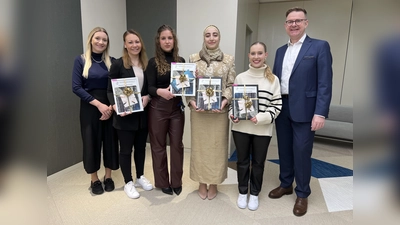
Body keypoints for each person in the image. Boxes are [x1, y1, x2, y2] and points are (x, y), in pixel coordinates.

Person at [269, 7, 333, 216]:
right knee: (284, 150)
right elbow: (275, 81)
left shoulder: (319, 47)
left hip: (306, 110)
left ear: (306, 23)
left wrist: (320, 113)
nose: (294, 24)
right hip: (282, 107)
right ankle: (286, 184)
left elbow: (325, 82)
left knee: (302, 152)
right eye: (290, 21)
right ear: (285, 25)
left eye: (298, 20)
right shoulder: (280, 51)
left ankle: (302, 193)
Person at [230, 41, 282, 210]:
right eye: (253, 53)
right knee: (242, 161)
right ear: (248, 56)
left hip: (263, 129)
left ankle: (254, 194)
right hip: (241, 128)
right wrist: (233, 114)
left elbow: (277, 106)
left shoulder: (273, 80)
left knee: (258, 163)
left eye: (260, 53)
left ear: (266, 55)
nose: (256, 57)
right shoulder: (240, 77)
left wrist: (261, 117)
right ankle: (243, 192)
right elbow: (233, 102)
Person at [186, 25, 235, 200]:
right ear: (204, 37)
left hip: (218, 113)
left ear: (219, 37)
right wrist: (191, 101)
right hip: (198, 112)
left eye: (215, 35)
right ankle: (201, 182)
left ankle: (213, 183)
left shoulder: (228, 60)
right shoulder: (193, 58)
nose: (211, 38)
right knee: (199, 148)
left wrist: (224, 101)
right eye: (208, 35)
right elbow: (187, 84)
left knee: (216, 148)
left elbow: (231, 85)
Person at [107, 29, 153, 199]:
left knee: (141, 148)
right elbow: (109, 89)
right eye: (131, 42)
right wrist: (115, 106)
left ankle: (140, 176)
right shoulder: (118, 64)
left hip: (142, 115)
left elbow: (148, 88)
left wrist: (147, 96)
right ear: (125, 45)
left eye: (137, 41)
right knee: (126, 150)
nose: (135, 45)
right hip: (125, 116)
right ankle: (128, 182)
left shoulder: (146, 64)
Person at [72, 27, 119, 195]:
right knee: (91, 143)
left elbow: (118, 86)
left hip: (110, 107)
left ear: (107, 43)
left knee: (110, 142)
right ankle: (94, 179)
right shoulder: (81, 60)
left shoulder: (112, 61)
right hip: (90, 107)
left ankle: (108, 177)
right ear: (91, 40)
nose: (101, 42)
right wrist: (99, 105)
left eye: (104, 40)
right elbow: (76, 87)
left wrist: (112, 107)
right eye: (97, 38)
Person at [147, 25, 185, 196]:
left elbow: (186, 86)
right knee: (158, 146)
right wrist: (160, 92)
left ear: (174, 40)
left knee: (177, 145)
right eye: (164, 38)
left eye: (170, 38)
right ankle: (163, 182)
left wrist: (193, 78)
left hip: (177, 109)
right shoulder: (153, 62)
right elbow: (149, 87)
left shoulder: (182, 61)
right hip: (158, 109)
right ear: (158, 41)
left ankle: (176, 181)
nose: (167, 41)